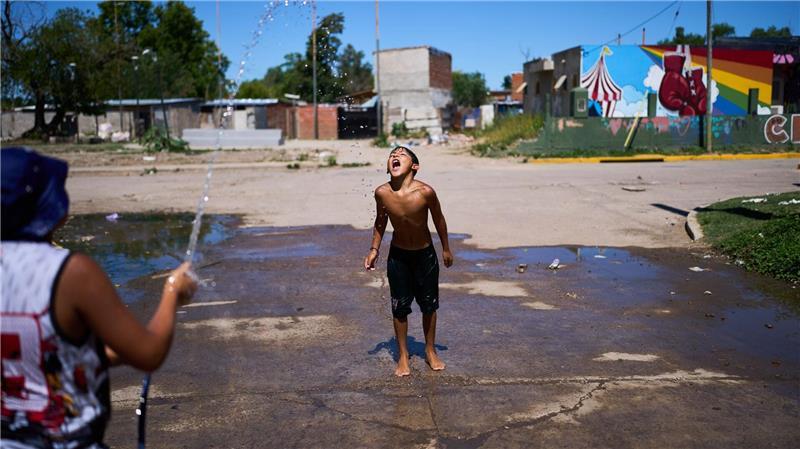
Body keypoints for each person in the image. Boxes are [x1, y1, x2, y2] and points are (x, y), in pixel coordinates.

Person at [1, 147, 197, 448]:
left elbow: (30, 351)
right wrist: (173, 292)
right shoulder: (71, 273)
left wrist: (100, 354)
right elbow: (149, 353)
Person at [364, 146, 453, 377]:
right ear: (387, 166)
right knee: (399, 307)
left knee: (429, 305)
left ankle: (430, 350)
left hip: (425, 255)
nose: (395, 156)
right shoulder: (382, 193)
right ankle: (403, 355)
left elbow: (439, 220)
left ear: (414, 166)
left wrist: (446, 248)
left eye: (401, 155)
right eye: (392, 155)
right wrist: (374, 249)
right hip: (399, 256)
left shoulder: (426, 192)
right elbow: (380, 221)